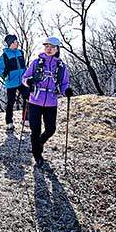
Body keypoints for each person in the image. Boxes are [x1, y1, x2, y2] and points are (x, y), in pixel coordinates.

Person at [21, 36, 73, 167]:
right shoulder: (36, 62)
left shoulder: (61, 66)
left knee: (51, 129)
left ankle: (38, 143)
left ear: (57, 49)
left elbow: (64, 84)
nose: (49, 49)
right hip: (35, 101)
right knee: (35, 129)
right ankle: (37, 155)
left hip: (51, 102)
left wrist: (66, 91)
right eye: (47, 46)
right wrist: (29, 82)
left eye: (52, 47)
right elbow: (24, 78)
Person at [0, 34, 30, 131]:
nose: (17, 43)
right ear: (11, 43)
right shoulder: (4, 56)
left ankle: (25, 119)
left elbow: (24, 66)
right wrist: (5, 75)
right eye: (15, 41)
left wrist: (27, 75)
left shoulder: (20, 53)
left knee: (27, 98)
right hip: (11, 82)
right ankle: (9, 122)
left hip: (22, 81)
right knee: (11, 102)